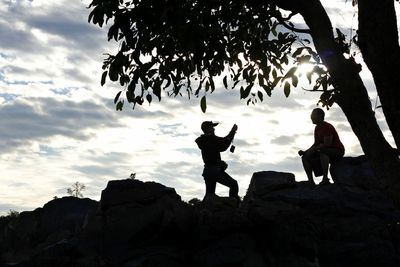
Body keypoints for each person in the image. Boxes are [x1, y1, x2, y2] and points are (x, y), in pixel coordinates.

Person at [299, 108, 345, 185]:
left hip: (337, 150)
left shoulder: (327, 126)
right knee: (305, 157)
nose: (311, 117)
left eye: (313, 115)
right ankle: (310, 181)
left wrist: (314, 149)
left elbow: (327, 144)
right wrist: (306, 152)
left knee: (323, 152)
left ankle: (325, 178)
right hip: (324, 149)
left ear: (320, 116)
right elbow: (316, 143)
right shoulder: (317, 128)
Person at [195, 121, 239, 202]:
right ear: (208, 129)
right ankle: (233, 207)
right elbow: (224, 144)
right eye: (212, 127)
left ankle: (201, 211)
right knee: (233, 184)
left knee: (209, 194)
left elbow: (222, 143)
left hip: (207, 171)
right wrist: (232, 132)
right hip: (214, 171)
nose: (214, 129)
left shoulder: (204, 140)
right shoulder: (210, 139)